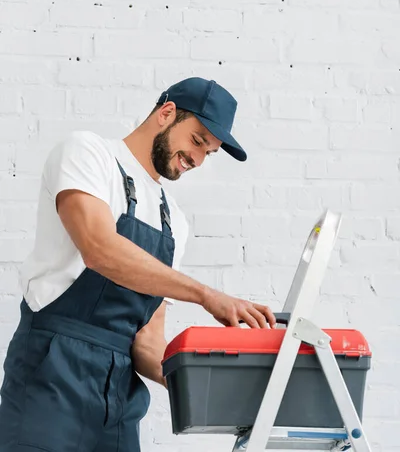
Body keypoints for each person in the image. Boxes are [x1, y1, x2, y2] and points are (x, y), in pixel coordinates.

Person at [0, 77, 276, 452]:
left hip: (118, 397)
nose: (197, 159)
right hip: (50, 378)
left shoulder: (173, 221)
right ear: (166, 113)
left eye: (208, 153)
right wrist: (205, 295)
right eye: (196, 140)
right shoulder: (87, 155)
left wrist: (205, 379)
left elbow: (145, 341)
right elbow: (99, 249)